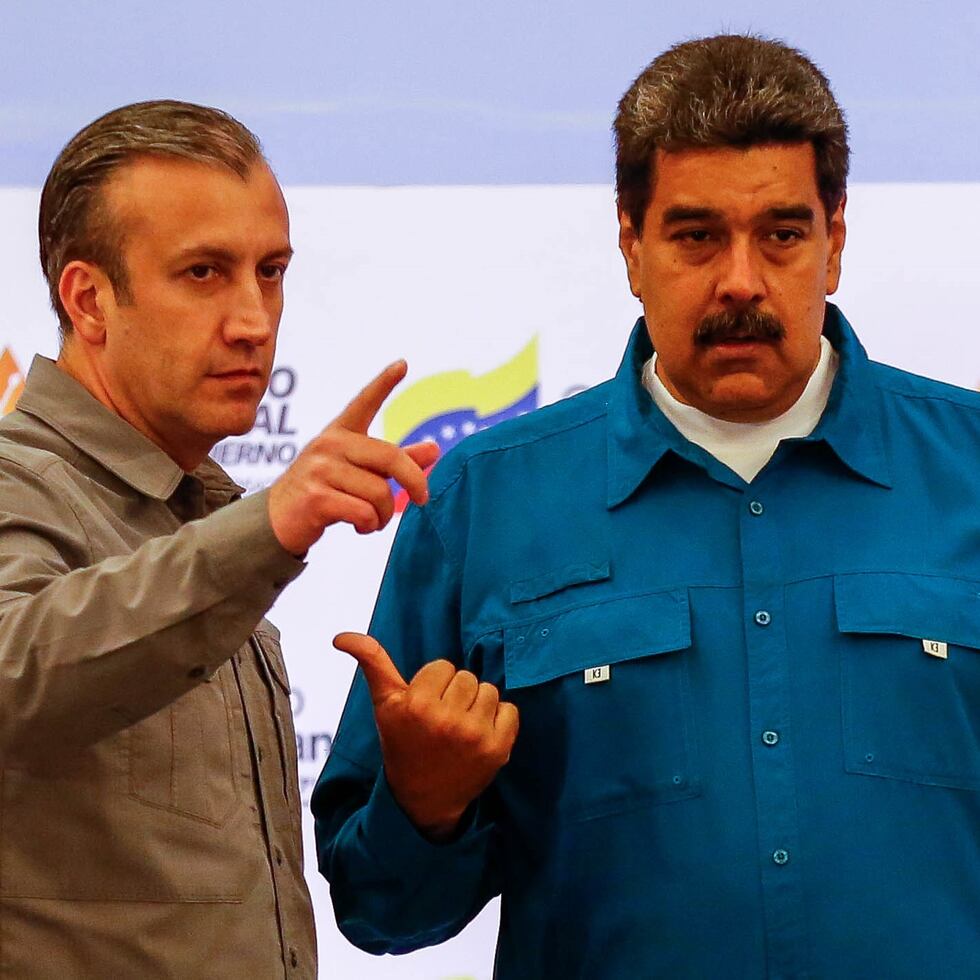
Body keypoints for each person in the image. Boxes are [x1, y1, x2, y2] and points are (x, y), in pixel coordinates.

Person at [313, 33, 980, 979]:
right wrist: (425, 808)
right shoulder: (483, 500)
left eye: (782, 235)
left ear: (835, 242)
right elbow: (379, 912)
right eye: (696, 235)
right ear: (631, 245)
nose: (742, 280)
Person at [0, 100, 438, 978]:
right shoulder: (18, 479)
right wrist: (269, 526)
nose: (253, 319)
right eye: (203, 273)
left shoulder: (198, 513)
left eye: (269, 271)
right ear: (89, 300)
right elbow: (15, 672)